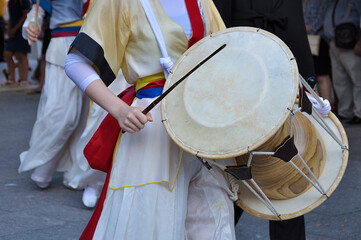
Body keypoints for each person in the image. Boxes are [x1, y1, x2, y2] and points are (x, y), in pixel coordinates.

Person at [65, 0, 238, 239]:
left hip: (203, 122)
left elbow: (227, 52)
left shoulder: (201, 2)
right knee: (150, 223)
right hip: (150, 126)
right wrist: (119, 110)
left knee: (212, 223)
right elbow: (76, 62)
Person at [212, 0, 321, 239]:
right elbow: (218, 27)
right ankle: (218, 230)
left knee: (286, 167)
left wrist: (307, 81)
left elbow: (293, 22)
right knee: (237, 168)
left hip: (284, 76)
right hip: (241, 78)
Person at [18, 0, 88, 190]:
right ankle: (40, 166)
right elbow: (37, 11)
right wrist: (29, 27)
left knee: (85, 118)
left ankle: (75, 174)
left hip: (93, 46)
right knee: (60, 114)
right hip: (62, 46)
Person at [322, 0, 361, 124]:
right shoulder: (333, 2)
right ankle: (346, 112)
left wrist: (359, 42)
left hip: (350, 42)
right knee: (340, 80)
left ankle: (359, 112)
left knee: (356, 78)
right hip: (334, 41)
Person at [303, 0, 335, 110]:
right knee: (314, 76)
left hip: (319, 41)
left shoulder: (321, 2)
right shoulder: (305, 2)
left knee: (322, 76)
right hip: (307, 41)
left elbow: (315, 24)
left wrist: (297, 27)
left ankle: (328, 107)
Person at [2, 0, 30, 86]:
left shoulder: (23, 2)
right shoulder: (11, 2)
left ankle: (24, 79)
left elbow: (25, 16)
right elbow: (10, 17)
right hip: (13, 29)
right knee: (8, 54)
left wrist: (15, 29)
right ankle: (12, 79)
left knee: (22, 54)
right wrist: (9, 29)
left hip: (22, 30)